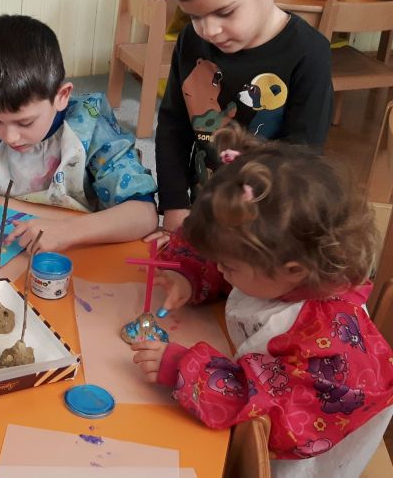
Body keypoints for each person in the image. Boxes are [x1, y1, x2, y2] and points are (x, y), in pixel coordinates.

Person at [133, 126, 393, 477]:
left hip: (295, 454)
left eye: (229, 267)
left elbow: (270, 412)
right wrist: (190, 277)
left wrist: (185, 368)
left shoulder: (332, 343)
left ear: (292, 271)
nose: (220, 268)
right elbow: (218, 252)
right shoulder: (277, 265)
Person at [155, 0, 333, 235]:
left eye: (225, 12)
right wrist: (175, 206)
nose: (209, 30)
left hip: (267, 225)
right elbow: (173, 126)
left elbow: (304, 161)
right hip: (202, 210)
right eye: (193, 16)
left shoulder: (309, 53)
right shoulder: (192, 41)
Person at [0, 15, 158, 253]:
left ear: (61, 96)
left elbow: (144, 214)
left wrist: (67, 232)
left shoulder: (91, 129)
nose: (10, 137)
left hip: (76, 248)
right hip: (0, 245)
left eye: (25, 123)